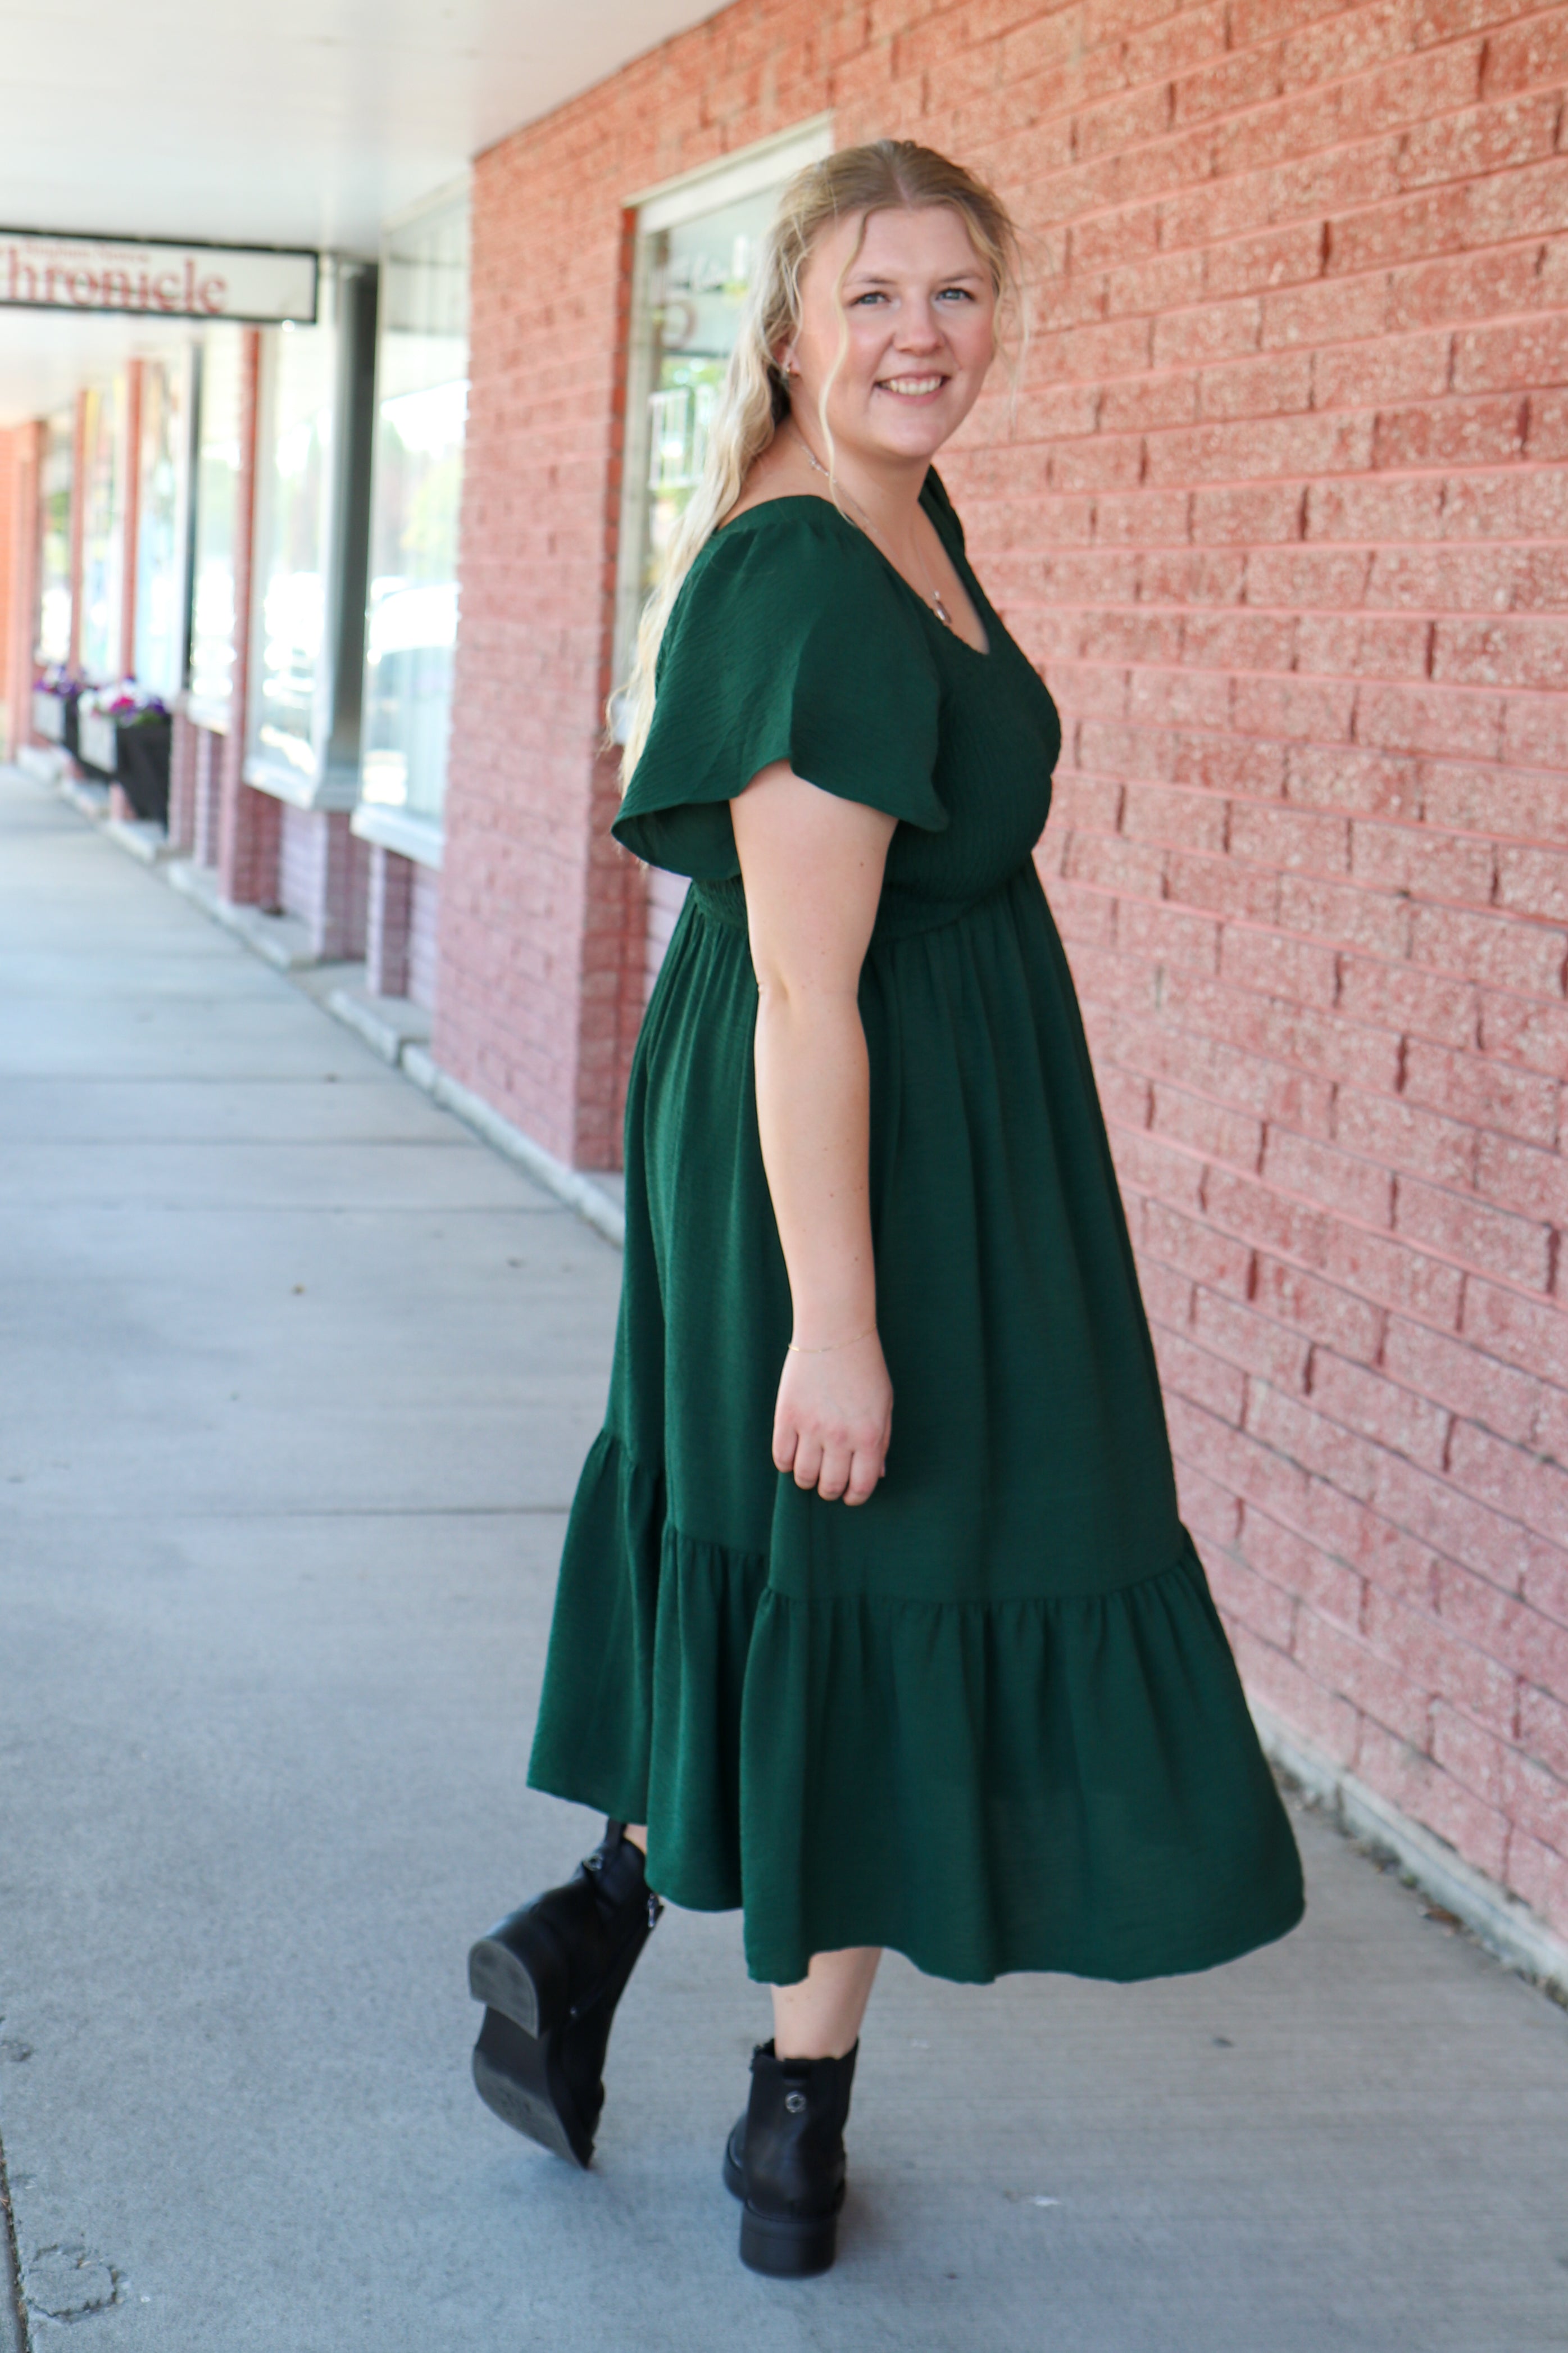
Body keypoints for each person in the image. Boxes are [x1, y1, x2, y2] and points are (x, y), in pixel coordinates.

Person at [466, 138, 1304, 2279]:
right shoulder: (807, 579)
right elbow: (802, 997)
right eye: (874, 295)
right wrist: (836, 1321)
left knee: (837, 1569)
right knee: (863, 1553)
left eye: (957, 292)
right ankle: (786, 2118)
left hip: (938, 1116)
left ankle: (626, 1947)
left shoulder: (904, 514)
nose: (922, 335)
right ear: (788, 323)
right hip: (837, 1140)